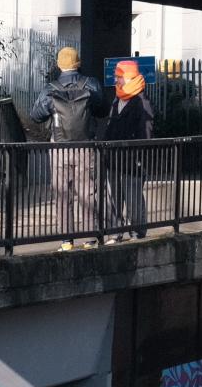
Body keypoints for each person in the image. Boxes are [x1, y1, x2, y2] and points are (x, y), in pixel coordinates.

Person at [30, 47, 107, 251]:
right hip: (85, 147)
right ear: (78, 63)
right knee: (87, 191)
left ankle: (66, 241)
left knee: (62, 193)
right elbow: (102, 110)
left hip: (60, 148)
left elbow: (35, 115)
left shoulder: (50, 88)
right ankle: (90, 239)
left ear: (58, 64)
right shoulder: (90, 84)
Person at [102, 59, 154, 243]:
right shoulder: (118, 98)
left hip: (133, 161)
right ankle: (116, 233)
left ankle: (137, 232)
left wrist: (140, 157)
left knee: (133, 198)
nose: (116, 80)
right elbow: (110, 125)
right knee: (114, 197)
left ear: (129, 77)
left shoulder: (141, 101)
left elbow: (146, 133)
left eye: (119, 77)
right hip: (114, 158)